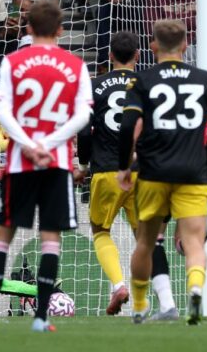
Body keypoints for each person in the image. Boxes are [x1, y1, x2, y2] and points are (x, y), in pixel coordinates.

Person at [0, 0, 92, 333]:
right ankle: (41, 319)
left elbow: (3, 112)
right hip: (57, 161)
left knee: (3, 236)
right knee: (50, 238)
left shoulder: (13, 61)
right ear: (61, 30)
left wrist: (29, 144)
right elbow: (82, 116)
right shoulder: (75, 65)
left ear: (29, 28)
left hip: (20, 162)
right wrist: (48, 145)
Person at [116, 19, 207, 325]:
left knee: (147, 243)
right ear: (185, 45)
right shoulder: (205, 79)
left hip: (152, 173)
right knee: (193, 242)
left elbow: (128, 126)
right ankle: (194, 288)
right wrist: (204, 157)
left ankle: (140, 305)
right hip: (193, 173)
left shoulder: (143, 80)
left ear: (152, 46)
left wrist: (125, 166)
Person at [75, 31, 141, 315]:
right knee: (147, 237)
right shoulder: (147, 85)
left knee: (101, 231)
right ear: (137, 56)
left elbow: (83, 130)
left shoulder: (95, 85)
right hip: (142, 171)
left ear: (110, 56)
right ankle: (151, 299)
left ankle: (118, 285)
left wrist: (84, 163)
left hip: (107, 171)